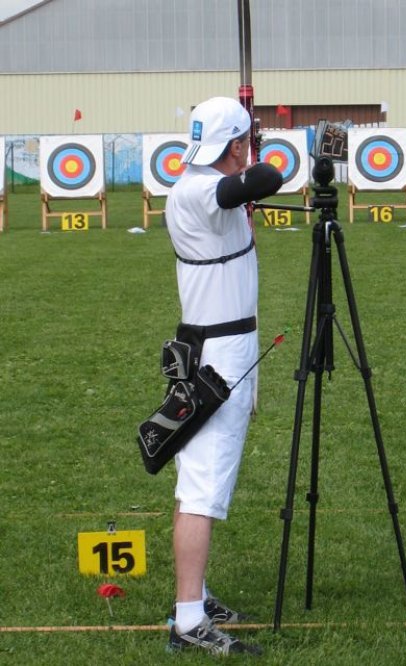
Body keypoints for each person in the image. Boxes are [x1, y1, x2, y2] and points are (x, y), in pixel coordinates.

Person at [164, 96, 283, 656]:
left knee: (199, 479)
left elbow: (246, 183)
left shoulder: (203, 183)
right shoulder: (199, 190)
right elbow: (267, 177)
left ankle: (198, 597)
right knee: (202, 487)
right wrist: (250, 156)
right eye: (245, 141)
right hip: (218, 355)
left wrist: (242, 144)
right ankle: (189, 618)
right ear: (235, 145)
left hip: (219, 345)